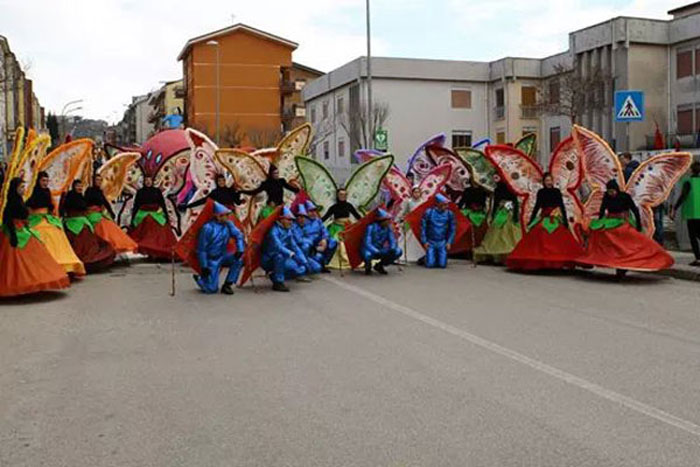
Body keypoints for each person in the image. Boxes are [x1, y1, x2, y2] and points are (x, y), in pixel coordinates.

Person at [577, 179, 673, 275]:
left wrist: (639, 224)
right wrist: (600, 221)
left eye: (612, 191)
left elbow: (634, 210)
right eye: (609, 191)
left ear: (616, 189)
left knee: (626, 240)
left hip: (622, 221)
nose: (611, 193)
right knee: (600, 233)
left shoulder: (624, 197)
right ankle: (601, 257)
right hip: (610, 220)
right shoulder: (606, 196)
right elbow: (602, 209)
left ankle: (627, 265)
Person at [0, 177, 70, 297]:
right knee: (14, 263)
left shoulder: (20, 199)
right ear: (14, 188)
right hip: (14, 232)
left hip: (23, 229)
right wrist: (13, 235)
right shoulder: (11, 202)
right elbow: (7, 219)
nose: (23, 190)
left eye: (23, 187)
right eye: (21, 187)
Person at [506, 172, 583, 270]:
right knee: (539, 231)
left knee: (560, 235)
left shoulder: (556, 191)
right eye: (547, 180)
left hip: (555, 217)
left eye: (550, 180)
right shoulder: (541, 192)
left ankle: (559, 260)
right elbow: (537, 206)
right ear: (543, 182)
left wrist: (565, 221)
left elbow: (561, 206)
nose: (549, 182)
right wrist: (532, 219)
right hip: (544, 216)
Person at [26, 171, 85, 275]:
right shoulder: (32, 191)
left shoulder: (47, 191)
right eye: (43, 180)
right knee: (41, 234)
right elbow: (28, 206)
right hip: (35, 218)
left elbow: (52, 206)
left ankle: (64, 262)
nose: (45, 183)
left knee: (57, 230)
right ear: (38, 180)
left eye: (47, 181)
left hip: (47, 217)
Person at [60, 179, 116, 272]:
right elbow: (64, 210)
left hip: (83, 221)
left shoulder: (82, 197)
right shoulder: (69, 196)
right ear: (74, 187)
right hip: (72, 222)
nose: (80, 188)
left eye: (81, 186)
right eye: (78, 186)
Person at [193, 202, 246, 295]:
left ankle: (228, 284)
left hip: (223, 255)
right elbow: (202, 249)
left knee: (238, 260)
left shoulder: (229, 224)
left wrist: (240, 249)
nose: (227, 217)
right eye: (225, 215)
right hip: (211, 259)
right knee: (211, 289)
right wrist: (204, 265)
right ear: (218, 216)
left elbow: (239, 235)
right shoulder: (207, 228)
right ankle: (201, 279)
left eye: (227, 215)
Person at [474, 173, 522, 264]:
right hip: (500, 212)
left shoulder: (511, 187)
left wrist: (515, 215)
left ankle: (508, 253)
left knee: (509, 232)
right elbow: (495, 203)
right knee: (497, 232)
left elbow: (515, 201)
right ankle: (498, 254)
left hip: (509, 213)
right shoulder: (497, 189)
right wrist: (492, 215)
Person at [85, 173, 137, 254]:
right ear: (93, 181)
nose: (98, 182)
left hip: (99, 213)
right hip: (91, 214)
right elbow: (85, 203)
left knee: (110, 225)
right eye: (97, 180)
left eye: (100, 180)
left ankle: (118, 244)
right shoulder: (89, 190)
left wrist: (111, 212)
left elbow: (105, 202)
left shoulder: (100, 191)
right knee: (103, 226)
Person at [261, 206, 309, 292]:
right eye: (289, 220)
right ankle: (278, 283)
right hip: (269, 258)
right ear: (281, 219)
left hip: (283, 256)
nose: (291, 222)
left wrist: (303, 260)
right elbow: (278, 246)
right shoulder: (273, 231)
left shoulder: (288, 231)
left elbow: (295, 246)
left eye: (291, 220)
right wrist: (290, 253)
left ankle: (274, 275)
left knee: (297, 268)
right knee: (279, 256)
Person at [621, 152, 664, 245]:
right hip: (655, 199)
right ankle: (659, 242)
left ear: (627, 158)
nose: (621, 161)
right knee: (658, 221)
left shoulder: (628, 171)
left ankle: (645, 240)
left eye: (622, 159)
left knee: (641, 220)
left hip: (638, 200)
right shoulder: (649, 173)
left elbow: (627, 187)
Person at [129, 176, 177, 259]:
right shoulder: (140, 192)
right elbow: (136, 206)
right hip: (143, 215)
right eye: (146, 180)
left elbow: (162, 204)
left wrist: (166, 216)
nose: (148, 182)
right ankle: (150, 251)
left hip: (156, 214)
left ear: (152, 181)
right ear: (144, 181)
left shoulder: (157, 191)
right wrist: (133, 219)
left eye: (149, 180)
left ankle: (159, 251)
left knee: (161, 233)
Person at [322, 188, 362, 269]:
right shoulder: (333, 207)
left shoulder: (349, 206)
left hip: (347, 227)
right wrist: (315, 222)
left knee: (352, 242)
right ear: (337, 195)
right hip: (336, 228)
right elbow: (325, 217)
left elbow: (357, 216)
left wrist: (364, 221)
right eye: (341, 194)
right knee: (337, 243)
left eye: (345, 195)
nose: (343, 196)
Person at [671, 161, 700, 266]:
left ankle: (698, 258)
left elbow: (683, 196)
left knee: (693, 236)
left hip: (692, 213)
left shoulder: (688, 181)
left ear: (691, 170)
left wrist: (674, 208)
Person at [362, 208, 402, 275]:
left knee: (397, 251)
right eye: (387, 220)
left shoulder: (388, 228)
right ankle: (368, 265)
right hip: (369, 249)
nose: (389, 222)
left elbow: (392, 239)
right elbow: (367, 243)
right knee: (367, 254)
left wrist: (392, 248)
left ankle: (380, 265)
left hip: (380, 249)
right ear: (381, 220)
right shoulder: (370, 227)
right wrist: (376, 251)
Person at [420, 194, 456, 268]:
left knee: (442, 265)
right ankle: (425, 258)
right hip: (431, 241)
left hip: (442, 241)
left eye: (447, 204)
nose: (447, 206)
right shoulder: (429, 212)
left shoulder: (449, 214)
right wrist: (425, 241)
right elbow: (423, 227)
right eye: (445, 204)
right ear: (439, 204)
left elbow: (452, 229)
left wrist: (449, 242)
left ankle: (436, 257)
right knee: (430, 264)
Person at [302, 200, 336, 272]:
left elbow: (324, 231)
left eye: (314, 211)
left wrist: (324, 239)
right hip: (309, 246)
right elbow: (299, 237)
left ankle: (324, 263)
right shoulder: (302, 221)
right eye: (310, 211)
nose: (313, 213)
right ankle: (306, 264)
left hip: (319, 242)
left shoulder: (318, 221)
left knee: (333, 241)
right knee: (316, 265)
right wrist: (314, 247)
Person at [458, 179, 489, 248]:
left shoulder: (483, 191)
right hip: (467, 210)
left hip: (478, 212)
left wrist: (479, 208)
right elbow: (462, 202)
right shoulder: (467, 190)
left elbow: (483, 204)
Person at [291, 204, 322, 274]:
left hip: (305, 255)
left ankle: (305, 265)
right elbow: (298, 240)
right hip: (294, 254)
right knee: (305, 246)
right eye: (300, 217)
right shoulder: (293, 227)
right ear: (296, 218)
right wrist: (311, 242)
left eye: (304, 217)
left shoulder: (307, 225)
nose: (303, 219)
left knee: (317, 268)